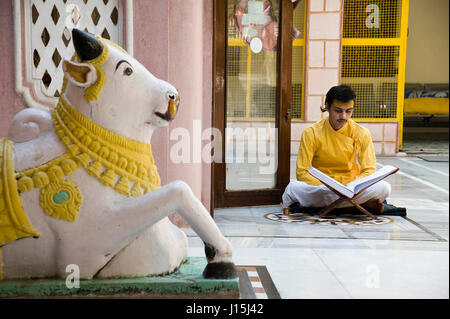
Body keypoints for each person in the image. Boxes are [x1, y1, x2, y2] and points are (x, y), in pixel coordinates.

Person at [282, 85, 391, 213]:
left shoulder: (361, 133)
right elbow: (302, 172)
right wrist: (329, 187)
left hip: (350, 187)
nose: (343, 116)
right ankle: (357, 205)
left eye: (348, 111)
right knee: (293, 188)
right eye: (338, 111)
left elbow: (369, 171)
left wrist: (351, 187)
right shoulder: (311, 133)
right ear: (327, 107)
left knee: (384, 188)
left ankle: (336, 204)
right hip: (322, 187)